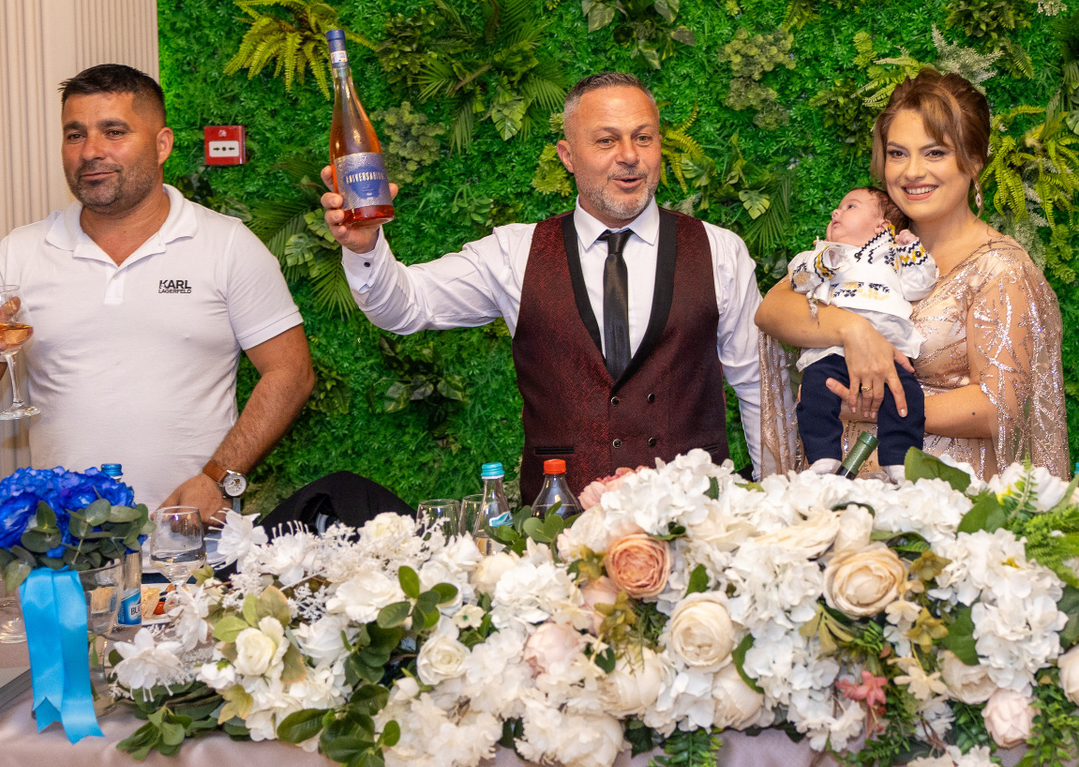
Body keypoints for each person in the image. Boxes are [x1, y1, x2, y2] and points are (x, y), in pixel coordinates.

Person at [324, 71, 763, 504]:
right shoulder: (513, 253)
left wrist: (780, 510)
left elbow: (761, 389)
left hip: (698, 524)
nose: (630, 155)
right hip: (558, 528)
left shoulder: (720, 251)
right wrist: (366, 248)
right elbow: (404, 307)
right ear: (568, 156)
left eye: (643, 138)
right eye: (606, 140)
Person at [0, 65, 316, 524]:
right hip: (64, 543)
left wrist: (217, 477)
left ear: (162, 144)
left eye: (113, 132)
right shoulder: (21, 251)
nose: (90, 151)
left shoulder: (227, 244)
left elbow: (290, 372)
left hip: (192, 538)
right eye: (75, 135)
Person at [756, 69, 1069, 479]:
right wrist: (854, 331)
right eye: (898, 153)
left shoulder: (1001, 270)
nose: (912, 172)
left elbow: (998, 408)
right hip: (840, 494)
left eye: (935, 153)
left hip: (942, 495)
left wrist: (875, 405)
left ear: (974, 161)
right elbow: (772, 309)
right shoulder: (870, 243)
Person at [786, 186, 937, 474]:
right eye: (838, 208)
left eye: (850, 206)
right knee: (816, 390)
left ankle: (899, 459)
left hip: (887, 352)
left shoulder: (893, 257)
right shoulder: (818, 254)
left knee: (907, 396)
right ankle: (822, 456)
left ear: (883, 226)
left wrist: (911, 250)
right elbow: (799, 281)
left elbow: (919, 286)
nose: (836, 212)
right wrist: (823, 263)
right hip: (831, 350)